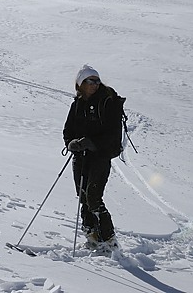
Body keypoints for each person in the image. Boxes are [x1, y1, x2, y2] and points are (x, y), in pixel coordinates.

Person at [62, 64, 126, 249]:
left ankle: (109, 239)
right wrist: (71, 143)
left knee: (93, 197)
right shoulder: (77, 104)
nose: (95, 84)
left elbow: (113, 134)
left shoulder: (107, 102)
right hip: (81, 156)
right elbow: (68, 130)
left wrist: (91, 142)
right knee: (83, 196)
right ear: (81, 83)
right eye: (91, 81)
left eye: (97, 80)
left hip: (101, 155)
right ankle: (91, 233)